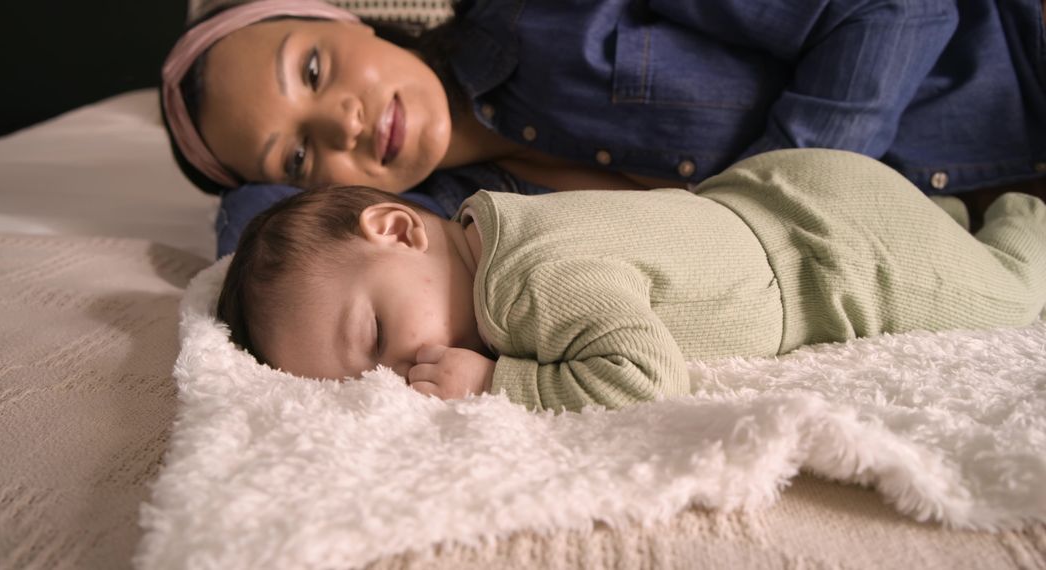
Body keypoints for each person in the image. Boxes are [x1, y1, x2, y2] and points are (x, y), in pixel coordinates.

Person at [162, 0, 1046, 258]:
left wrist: (770, 216)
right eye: (297, 154)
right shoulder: (467, 230)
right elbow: (257, 243)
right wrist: (264, 195)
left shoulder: (550, 13)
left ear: (347, 19)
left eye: (314, 70)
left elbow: (899, 7)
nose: (342, 123)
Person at [214, 149, 1046, 413]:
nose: (401, 377)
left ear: (399, 230)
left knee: (1009, 296)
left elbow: (647, 376)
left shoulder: (527, 284)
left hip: (832, 258)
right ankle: (951, 220)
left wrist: (503, 384)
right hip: (789, 186)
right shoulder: (496, 225)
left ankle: (1022, 215)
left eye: (378, 340)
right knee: (941, 232)